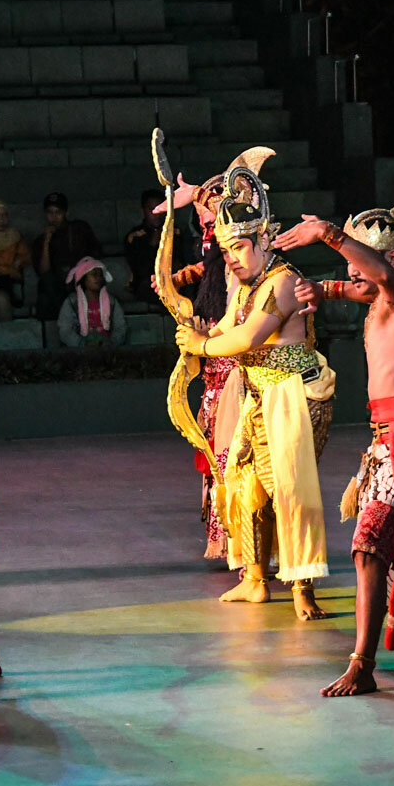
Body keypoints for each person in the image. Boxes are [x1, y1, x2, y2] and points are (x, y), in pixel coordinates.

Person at [275, 197, 394, 697]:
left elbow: (377, 275)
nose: (351, 274)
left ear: (393, 262)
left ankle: (362, 663)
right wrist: (324, 288)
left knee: (369, 548)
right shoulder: (385, 298)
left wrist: (328, 233)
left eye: (358, 262)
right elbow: (362, 285)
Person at [171, 164, 334, 620]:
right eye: (225, 251)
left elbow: (247, 339)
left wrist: (203, 346)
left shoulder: (281, 281)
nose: (233, 259)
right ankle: (256, 580)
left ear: (264, 239)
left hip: (293, 395)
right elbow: (227, 326)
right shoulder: (246, 284)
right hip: (259, 394)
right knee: (245, 490)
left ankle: (303, 588)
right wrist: (194, 331)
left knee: (290, 490)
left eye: (239, 246)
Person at [154, 149, 275, 560]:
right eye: (205, 223)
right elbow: (209, 273)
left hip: (244, 366)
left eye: (213, 217)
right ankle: (230, 542)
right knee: (217, 449)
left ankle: (251, 549)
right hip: (217, 361)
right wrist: (177, 281)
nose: (208, 227)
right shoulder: (221, 257)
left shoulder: (259, 265)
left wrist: (191, 195)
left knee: (238, 454)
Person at [31, 192, 102, 332]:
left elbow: (96, 255)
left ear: (66, 213)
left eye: (58, 212)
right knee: (46, 293)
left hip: (79, 281)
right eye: (50, 213)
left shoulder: (79, 229)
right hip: (56, 287)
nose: (54, 217)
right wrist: (46, 243)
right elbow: (43, 273)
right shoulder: (41, 240)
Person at [57, 256, 127, 350]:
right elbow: (65, 330)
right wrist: (82, 344)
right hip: (79, 353)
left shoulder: (112, 302)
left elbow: (120, 327)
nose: (97, 278)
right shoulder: (71, 302)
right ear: (83, 277)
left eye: (100, 275)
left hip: (107, 351)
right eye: (93, 274)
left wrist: (111, 343)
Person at [123, 188, 168, 305]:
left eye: (160, 208)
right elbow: (138, 267)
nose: (156, 213)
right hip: (145, 286)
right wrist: (153, 244)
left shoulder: (175, 232)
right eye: (151, 209)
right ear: (143, 211)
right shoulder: (134, 236)